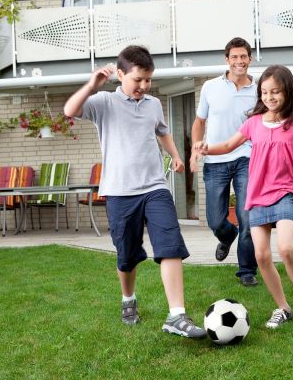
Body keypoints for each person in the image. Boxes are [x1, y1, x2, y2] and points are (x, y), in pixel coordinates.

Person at [64, 45, 206, 338]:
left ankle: (176, 315)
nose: (143, 86)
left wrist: (176, 156)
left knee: (170, 244)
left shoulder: (153, 104)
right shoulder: (103, 102)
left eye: (148, 80)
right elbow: (70, 110)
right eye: (137, 79)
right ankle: (128, 299)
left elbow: (163, 131)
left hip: (155, 186)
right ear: (120, 74)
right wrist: (91, 84)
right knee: (126, 256)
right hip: (119, 191)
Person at [194, 65, 293, 329]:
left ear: (287, 92)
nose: (269, 97)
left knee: (286, 248)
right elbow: (228, 145)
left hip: (286, 192)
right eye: (265, 92)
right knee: (262, 256)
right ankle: (283, 307)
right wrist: (206, 147)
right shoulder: (254, 122)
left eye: (275, 92)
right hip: (257, 195)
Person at [190, 37, 258, 287]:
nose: (239, 61)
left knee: (247, 217)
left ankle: (247, 270)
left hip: (247, 158)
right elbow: (199, 122)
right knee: (215, 220)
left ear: (250, 58)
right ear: (227, 59)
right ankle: (227, 236)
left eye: (244, 56)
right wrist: (194, 150)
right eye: (235, 57)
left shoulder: (260, 88)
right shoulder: (210, 87)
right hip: (216, 159)